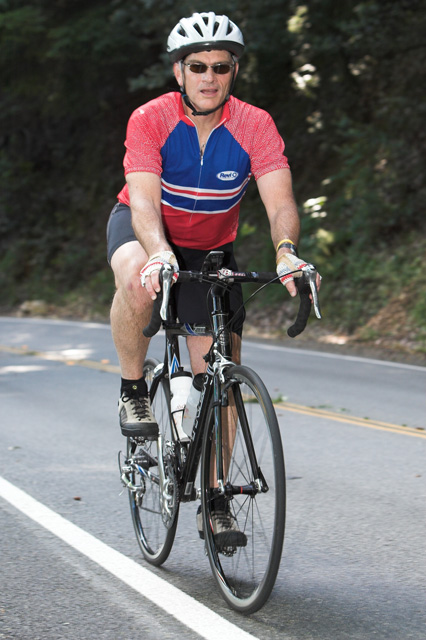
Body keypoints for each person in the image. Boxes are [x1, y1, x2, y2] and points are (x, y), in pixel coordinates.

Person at [107, 12, 317, 542]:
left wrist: (287, 252)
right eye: (197, 66)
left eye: (220, 67)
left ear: (233, 71)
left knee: (221, 375)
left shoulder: (255, 125)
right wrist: (159, 252)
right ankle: (133, 389)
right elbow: (144, 202)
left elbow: (280, 201)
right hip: (146, 229)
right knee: (137, 278)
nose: (209, 76)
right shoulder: (150, 118)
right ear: (179, 72)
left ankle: (216, 496)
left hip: (209, 250)